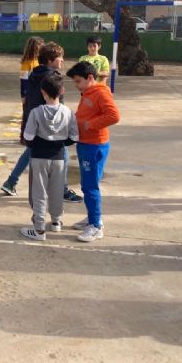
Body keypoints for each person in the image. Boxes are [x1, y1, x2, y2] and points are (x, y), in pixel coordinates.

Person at [9, 42, 83, 202]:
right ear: (50, 60)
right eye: (60, 57)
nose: (63, 60)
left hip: (34, 119)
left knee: (30, 151)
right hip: (49, 124)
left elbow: (29, 99)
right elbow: (58, 105)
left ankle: (10, 181)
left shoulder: (34, 74)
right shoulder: (54, 78)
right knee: (62, 155)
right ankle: (62, 190)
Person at [66, 61, 120, 242]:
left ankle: (96, 225)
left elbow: (114, 116)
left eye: (78, 81)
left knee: (90, 187)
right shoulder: (87, 91)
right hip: (85, 143)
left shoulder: (100, 93)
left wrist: (90, 125)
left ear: (90, 78)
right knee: (87, 185)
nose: (76, 85)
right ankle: (92, 217)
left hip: (94, 145)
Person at [20, 74, 78, 240]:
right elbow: (74, 137)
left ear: (43, 92)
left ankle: (39, 228)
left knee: (39, 192)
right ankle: (56, 222)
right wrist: (60, 142)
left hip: (39, 156)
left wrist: (39, 140)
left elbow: (28, 137)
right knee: (57, 189)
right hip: (59, 156)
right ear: (62, 91)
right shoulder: (68, 112)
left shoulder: (36, 112)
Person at [0, 36, 44, 196]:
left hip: (37, 102)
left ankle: (12, 181)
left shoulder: (40, 63)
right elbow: (23, 83)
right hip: (33, 101)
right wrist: (24, 97)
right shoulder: (28, 64)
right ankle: (12, 181)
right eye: (39, 47)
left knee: (33, 150)